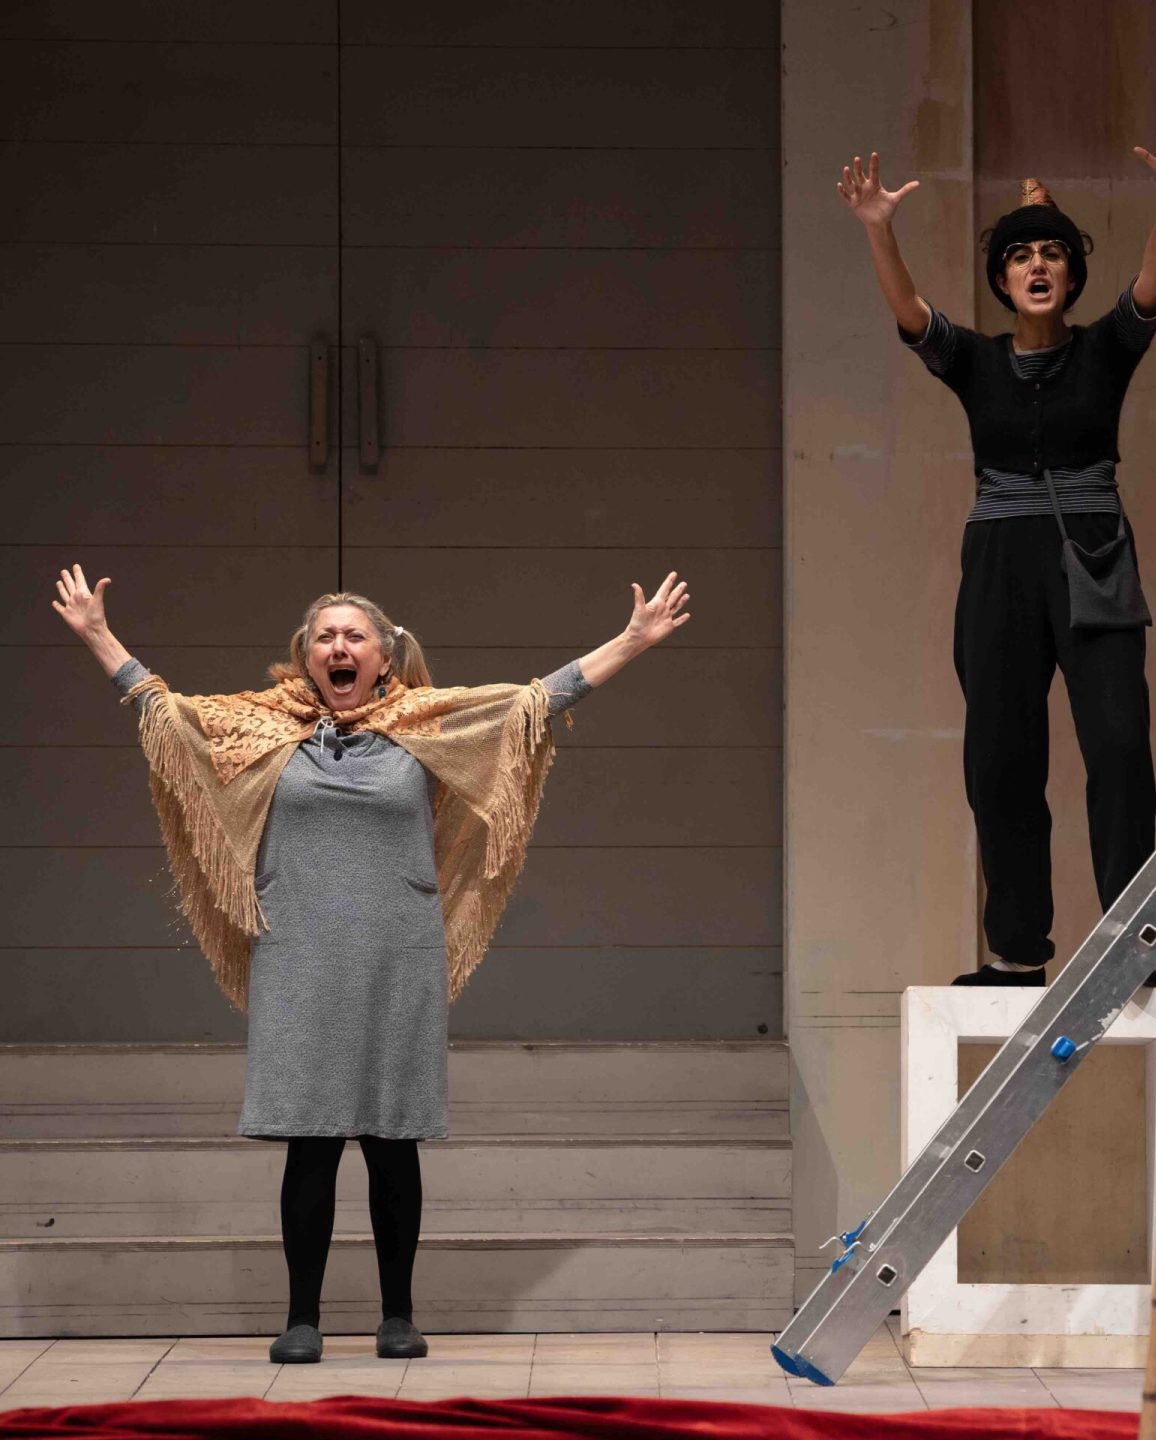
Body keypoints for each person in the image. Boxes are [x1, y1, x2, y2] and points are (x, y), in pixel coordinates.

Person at [51, 564, 690, 1363]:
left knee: (393, 1139)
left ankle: (398, 1316)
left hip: (397, 951)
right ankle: (302, 1319)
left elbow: (534, 702)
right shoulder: (260, 725)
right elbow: (165, 712)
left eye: (354, 636)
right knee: (310, 1140)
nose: (339, 647)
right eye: (325, 637)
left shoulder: (428, 724)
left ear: (385, 656)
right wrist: (98, 635)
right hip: (298, 951)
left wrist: (631, 641)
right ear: (306, 654)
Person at [836, 124, 1156, 986]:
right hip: (1000, 563)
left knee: (1120, 749)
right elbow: (909, 312)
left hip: (1094, 556)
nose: (1037, 266)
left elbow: (1151, 286)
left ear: (1071, 276)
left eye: (1052, 254)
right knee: (1000, 758)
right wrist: (878, 228)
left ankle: (1128, 950)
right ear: (1002, 280)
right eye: (1020, 257)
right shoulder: (975, 361)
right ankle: (1016, 954)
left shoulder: (1104, 350)